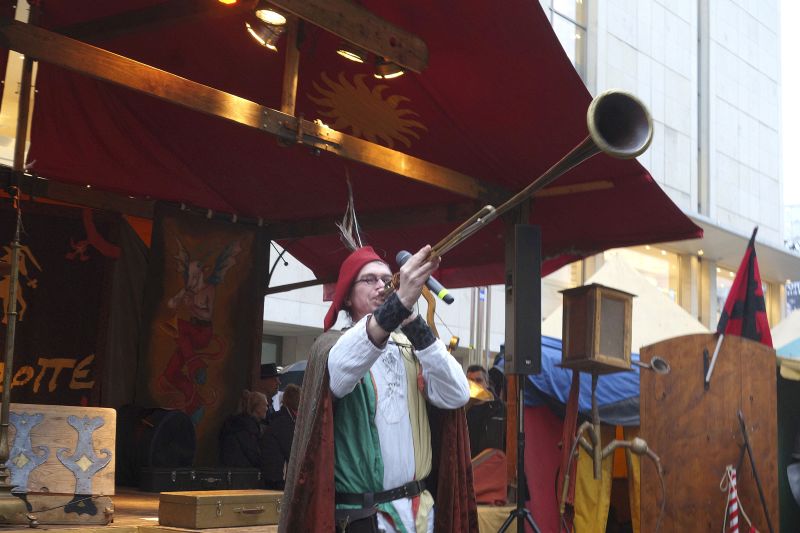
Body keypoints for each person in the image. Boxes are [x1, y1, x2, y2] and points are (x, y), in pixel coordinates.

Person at [279, 245, 478, 533]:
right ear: (347, 296)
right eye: (369, 279)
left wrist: (412, 321)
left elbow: (457, 394)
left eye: (386, 279)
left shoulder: (414, 347)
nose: (382, 286)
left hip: (420, 512)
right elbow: (345, 366)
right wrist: (396, 306)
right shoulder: (333, 346)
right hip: (363, 517)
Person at [261, 383, 300, 490]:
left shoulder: (280, 417)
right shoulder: (285, 421)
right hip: (277, 476)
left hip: (272, 474)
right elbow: (290, 450)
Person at [218, 389, 268, 469]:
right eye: (265, 405)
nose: (267, 408)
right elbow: (253, 455)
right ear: (257, 408)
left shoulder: (238, 423)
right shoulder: (247, 427)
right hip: (241, 472)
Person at [465, 365, 506, 457]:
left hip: (490, 463)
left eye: (479, 380)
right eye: (471, 381)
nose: (474, 384)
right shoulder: (460, 410)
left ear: (486, 383)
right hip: (467, 462)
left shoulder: (500, 409)